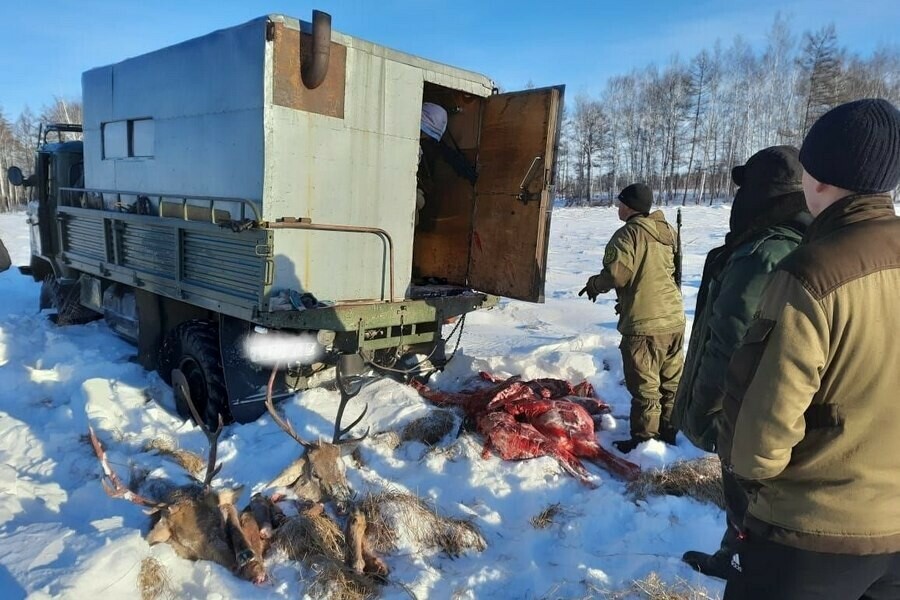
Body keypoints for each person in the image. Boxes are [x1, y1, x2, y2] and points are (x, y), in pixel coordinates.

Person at [722, 98, 900, 599]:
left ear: (817, 179)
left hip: (809, 537)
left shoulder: (811, 273)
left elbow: (762, 436)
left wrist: (747, 485)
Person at [672, 145, 811, 580]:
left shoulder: (763, 254)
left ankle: (745, 566)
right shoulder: (801, 241)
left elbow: (729, 342)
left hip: (746, 411)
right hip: (774, 408)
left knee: (746, 497)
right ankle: (735, 555)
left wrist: (706, 413)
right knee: (757, 500)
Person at [579, 183, 685, 453]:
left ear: (629, 206)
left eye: (620, 203)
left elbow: (617, 274)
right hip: (673, 318)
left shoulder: (628, 235)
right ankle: (670, 431)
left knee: (646, 385)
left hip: (645, 323)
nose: (617, 207)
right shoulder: (667, 231)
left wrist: (594, 284)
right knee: (670, 381)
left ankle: (645, 442)